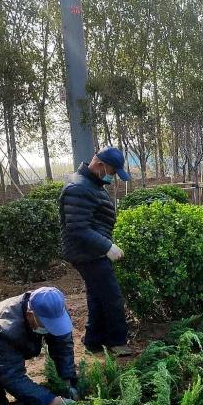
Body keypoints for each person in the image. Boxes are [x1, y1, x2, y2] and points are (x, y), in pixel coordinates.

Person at [60, 147, 133, 355]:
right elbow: (77, 227)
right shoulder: (79, 187)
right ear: (100, 165)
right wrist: (106, 246)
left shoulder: (92, 183)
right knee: (112, 297)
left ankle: (94, 341)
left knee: (97, 295)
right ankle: (117, 342)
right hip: (88, 253)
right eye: (112, 171)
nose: (112, 176)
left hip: (91, 251)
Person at [0, 287, 78, 405]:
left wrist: (68, 380)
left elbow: (63, 345)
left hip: (9, 342)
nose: (53, 327)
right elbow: (10, 374)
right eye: (47, 324)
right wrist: (50, 400)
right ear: (30, 316)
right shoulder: (6, 329)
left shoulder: (54, 310)